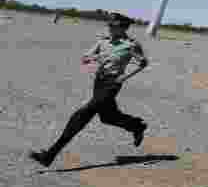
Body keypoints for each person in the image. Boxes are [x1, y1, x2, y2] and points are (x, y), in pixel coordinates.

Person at [30, 12, 149, 168]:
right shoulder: (103, 41)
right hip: (99, 82)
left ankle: (49, 155)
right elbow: (86, 57)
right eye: (109, 25)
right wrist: (91, 58)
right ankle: (137, 126)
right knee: (107, 117)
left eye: (114, 26)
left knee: (83, 114)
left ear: (123, 28)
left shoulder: (131, 45)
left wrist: (124, 77)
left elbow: (143, 63)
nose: (110, 28)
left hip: (113, 84)